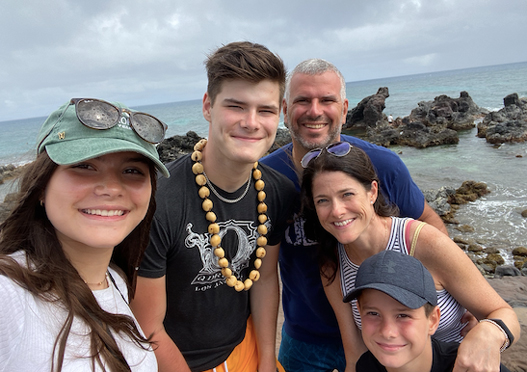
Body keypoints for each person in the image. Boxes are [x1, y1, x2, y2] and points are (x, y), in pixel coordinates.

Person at [260, 58, 450, 372]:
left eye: (327, 100)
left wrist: (443, 299)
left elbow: (427, 224)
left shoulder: (383, 165)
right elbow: (264, 275)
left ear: (345, 109)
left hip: (385, 334)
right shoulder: (267, 179)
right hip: (304, 338)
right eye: (302, 100)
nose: (315, 110)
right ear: (284, 109)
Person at [131, 41, 296, 372]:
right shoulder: (158, 201)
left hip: (244, 347)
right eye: (236, 106)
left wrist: (266, 357)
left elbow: (263, 278)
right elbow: (148, 328)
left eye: (265, 110)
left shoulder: (277, 191)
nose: (251, 123)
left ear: (280, 113)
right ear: (208, 106)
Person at [300, 143, 519, 372]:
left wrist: (490, 333)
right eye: (323, 200)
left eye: (347, 194)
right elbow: (356, 353)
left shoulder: (422, 242)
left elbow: (502, 313)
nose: (337, 211)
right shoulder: (332, 264)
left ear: (372, 192)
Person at [0, 97, 171, 371]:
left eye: (132, 170)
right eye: (84, 166)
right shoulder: (9, 294)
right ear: (42, 186)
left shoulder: (115, 280)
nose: (111, 188)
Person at [345, 249, 510, 372]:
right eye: (373, 313)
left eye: (403, 315)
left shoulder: (472, 367)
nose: (387, 332)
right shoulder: (366, 365)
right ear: (359, 311)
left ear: (432, 320)